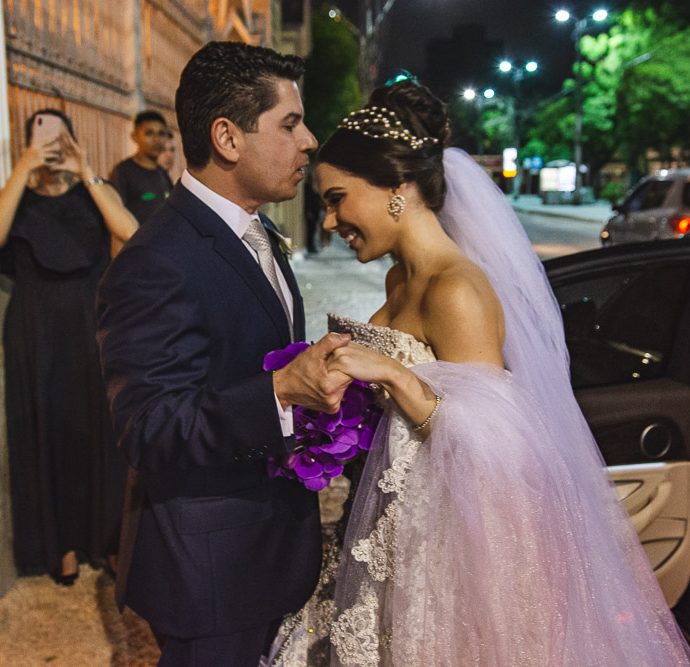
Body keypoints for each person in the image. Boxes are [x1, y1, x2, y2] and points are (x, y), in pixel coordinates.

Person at [269, 81, 690, 665]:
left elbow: (496, 447)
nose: (333, 219)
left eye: (339, 199)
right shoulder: (398, 279)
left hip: (449, 541)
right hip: (389, 523)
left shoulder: (456, 290)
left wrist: (394, 375)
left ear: (397, 187)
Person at [96, 41, 352, 666]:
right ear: (228, 138)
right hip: (211, 568)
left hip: (264, 550)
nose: (309, 141)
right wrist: (279, 392)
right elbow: (149, 428)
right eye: (290, 124)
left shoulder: (254, 229)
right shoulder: (158, 260)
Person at [0, 108, 138, 584]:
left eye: (61, 138)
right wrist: (24, 167)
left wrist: (86, 171)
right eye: (42, 136)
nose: (52, 146)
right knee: (47, 432)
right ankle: (59, 544)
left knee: (101, 429)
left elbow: (129, 232)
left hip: (90, 321)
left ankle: (109, 540)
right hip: (34, 329)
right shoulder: (16, 197)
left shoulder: (94, 190)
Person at [109, 110, 173, 224]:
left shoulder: (162, 174)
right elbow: (114, 215)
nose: (156, 140)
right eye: (149, 133)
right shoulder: (123, 172)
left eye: (161, 134)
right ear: (135, 136)